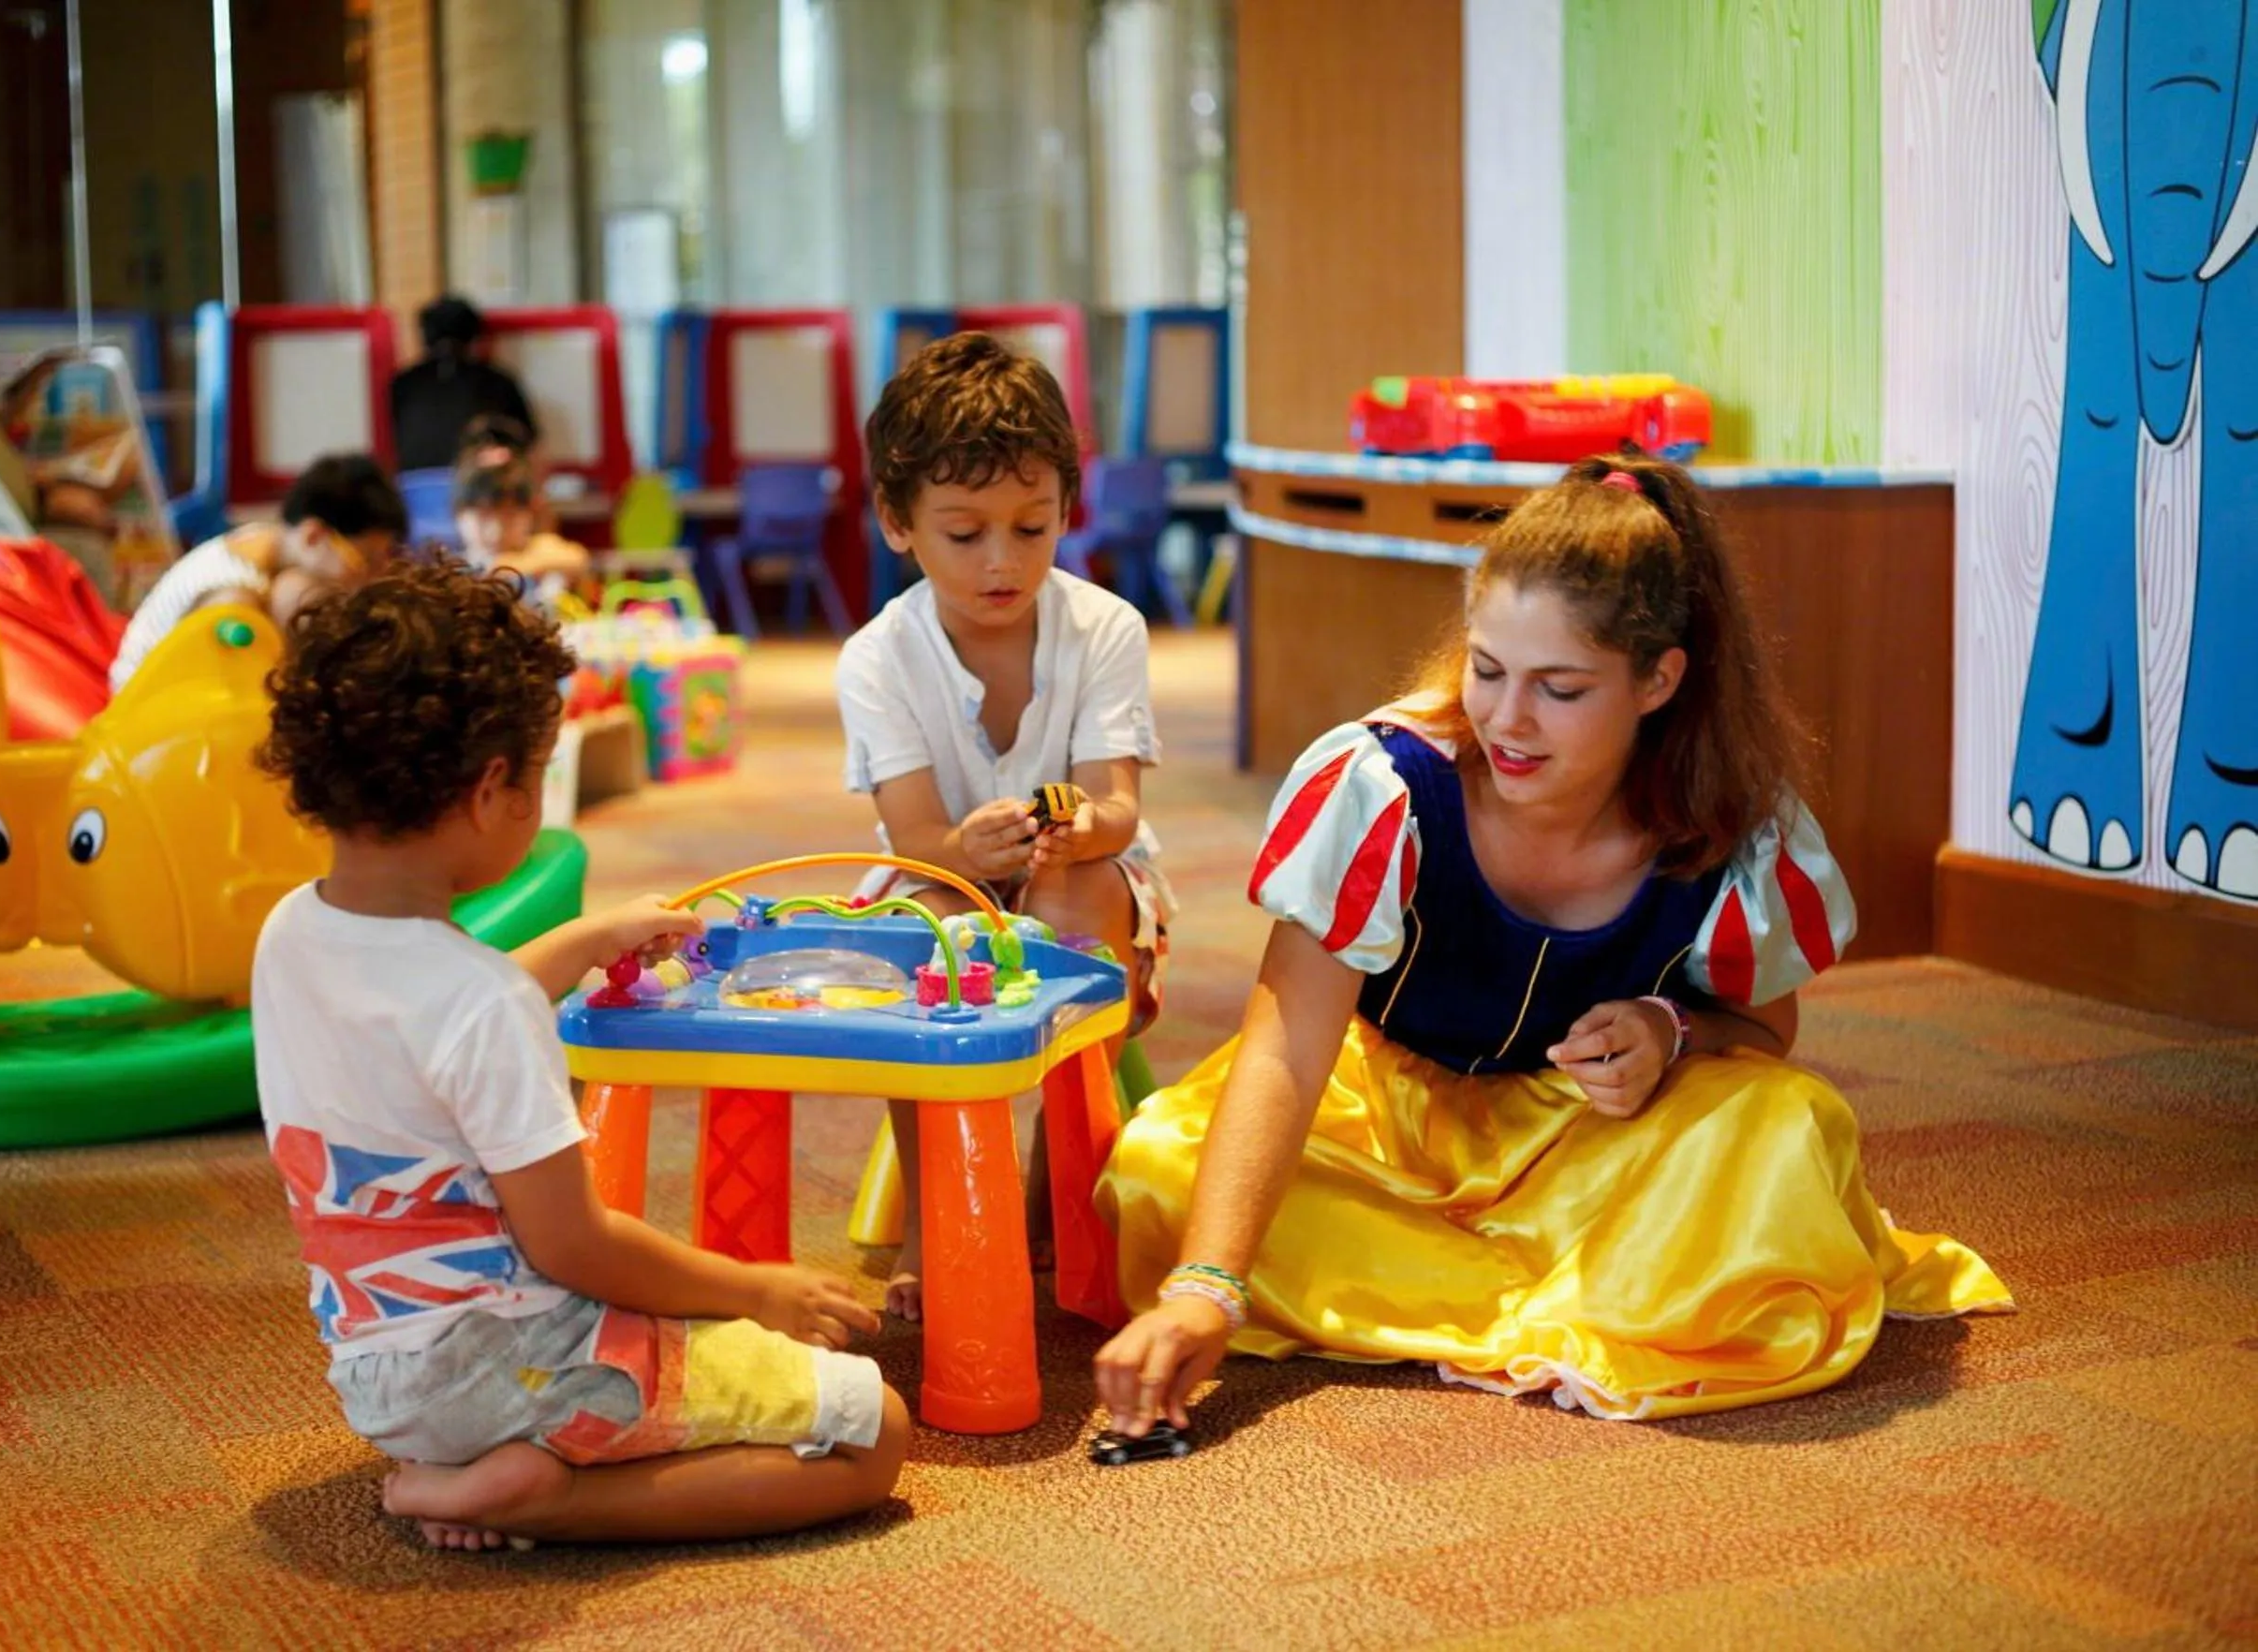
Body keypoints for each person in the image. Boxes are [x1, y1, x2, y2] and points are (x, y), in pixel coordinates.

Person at [1092, 455, 2012, 1435]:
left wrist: (1671, 1030)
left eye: (1560, 689)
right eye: (1487, 671)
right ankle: (1593, 1297)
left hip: (1588, 1141)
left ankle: (1474, 1293)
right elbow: (1284, 1049)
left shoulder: (1733, 827)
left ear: (1659, 680)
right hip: (1377, 1127)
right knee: (1158, 1167)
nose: (1508, 721)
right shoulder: (1383, 787)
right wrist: (1208, 1285)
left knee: (1788, 1128)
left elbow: (1763, 1027)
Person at [252, 560, 909, 1549]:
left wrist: (586, 942)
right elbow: (578, 1249)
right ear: (489, 792)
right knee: (874, 1434)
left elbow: (426, 1026)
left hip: (378, 1374)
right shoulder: (483, 1008)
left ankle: (465, 1464)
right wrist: (755, 1289)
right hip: (515, 1360)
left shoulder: (291, 934)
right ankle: (549, 1496)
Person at [837, 331, 1175, 1320]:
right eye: (965, 532)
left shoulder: (1104, 627)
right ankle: (930, 1222)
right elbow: (915, 839)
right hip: (943, 872)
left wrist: (1079, 830)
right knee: (924, 928)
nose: (1002, 562)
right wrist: (964, 852)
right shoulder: (878, 657)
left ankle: (1054, 1200)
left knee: (1070, 906)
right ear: (898, 524)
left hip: (1092, 873)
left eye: (1032, 529)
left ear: (1067, 509)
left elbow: (1115, 810)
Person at [108, 453, 407, 691]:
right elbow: (221, 696)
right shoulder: (234, 596)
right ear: (313, 536)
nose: (374, 577)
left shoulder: (261, 544)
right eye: (367, 560)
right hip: (143, 719)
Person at [391, 296, 539, 473]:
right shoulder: (497, 381)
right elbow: (526, 438)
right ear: (475, 337)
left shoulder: (403, 382)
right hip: (476, 489)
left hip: (414, 491)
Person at [451, 437, 590, 588]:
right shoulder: (454, 568)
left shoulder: (538, 548)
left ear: (532, 513)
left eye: (509, 517)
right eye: (483, 518)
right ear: (459, 515)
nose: (496, 531)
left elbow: (579, 558)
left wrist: (513, 564)